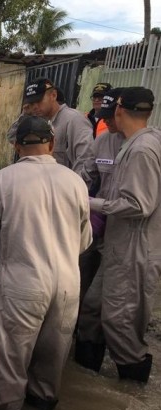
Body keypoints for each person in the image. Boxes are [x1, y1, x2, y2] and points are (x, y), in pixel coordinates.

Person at [0, 115, 92, 410]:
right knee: (50, 369)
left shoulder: (1, 180)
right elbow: (84, 241)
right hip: (68, 287)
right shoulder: (75, 181)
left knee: (10, 367)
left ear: (16, 146)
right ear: (53, 144)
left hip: (23, 285)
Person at [76, 87, 161, 383]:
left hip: (134, 249)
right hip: (116, 243)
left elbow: (140, 204)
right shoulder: (125, 144)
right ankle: (86, 380)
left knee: (121, 322)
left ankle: (132, 388)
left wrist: (89, 203)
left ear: (121, 110)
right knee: (91, 311)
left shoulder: (142, 149)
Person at [74, 88, 125, 314]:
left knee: (107, 297)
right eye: (102, 114)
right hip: (96, 225)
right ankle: (76, 329)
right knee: (81, 277)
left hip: (124, 232)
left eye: (110, 115)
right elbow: (88, 174)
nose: (105, 120)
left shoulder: (146, 147)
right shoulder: (103, 141)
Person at [23, 78, 94, 172]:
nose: (35, 106)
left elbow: (86, 160)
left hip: (65, 184)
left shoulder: (74, 120)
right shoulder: (39, 121)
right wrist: (24, 114)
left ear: (53, 95)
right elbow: (13, 139)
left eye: (39, 101)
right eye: (31, 103)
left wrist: (75, 185)